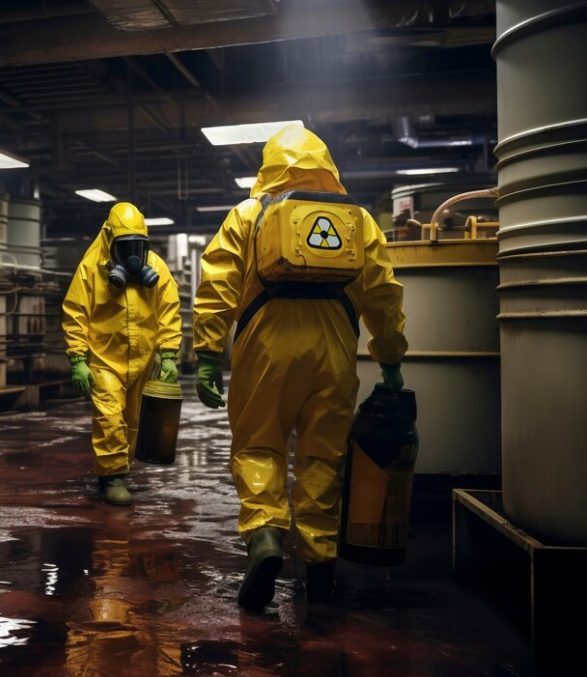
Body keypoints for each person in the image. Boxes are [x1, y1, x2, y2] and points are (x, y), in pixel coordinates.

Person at [193, 125, 408, 608]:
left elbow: (217, 285)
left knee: (259, 446)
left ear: (268, 167)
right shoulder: (359, 221)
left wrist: (207, 353)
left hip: (264, 351)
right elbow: (383, 292)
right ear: (328, 165)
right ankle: (320, 565)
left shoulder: (248, 214)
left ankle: (266, 536)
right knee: (321, 458)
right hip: (334, 353)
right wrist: (390, 356)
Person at [62, 202, 182, 506]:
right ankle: (112, 476)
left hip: (143, 360)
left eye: (138, 246)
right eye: (124, 246)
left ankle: (119, 468)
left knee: (134, 421)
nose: (132, 255)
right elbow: (76, 312)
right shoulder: (92, 269)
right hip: (105, 359)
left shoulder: (156, 267)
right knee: (109, 417)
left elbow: (169, 311)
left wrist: (168, 354)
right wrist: (78, 359)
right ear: (109, 241)